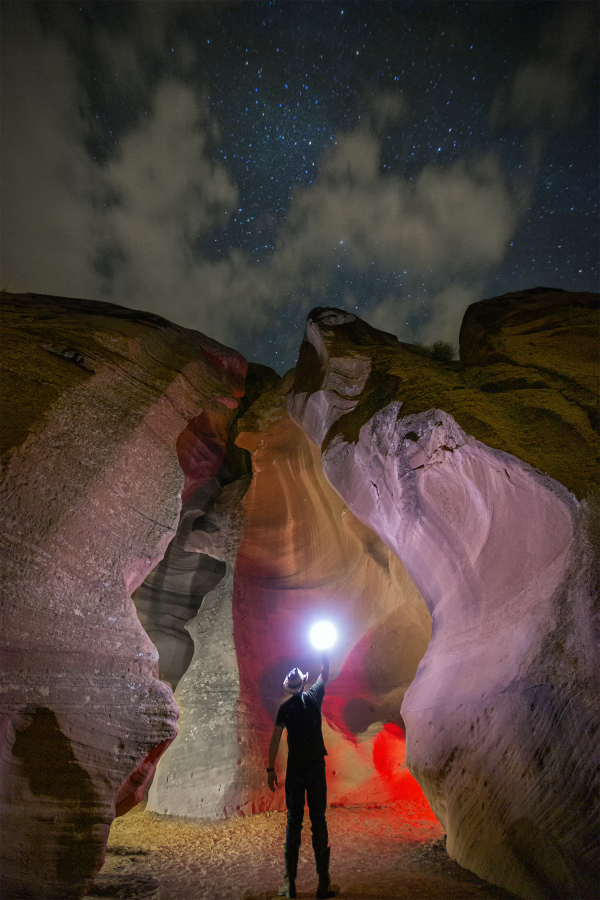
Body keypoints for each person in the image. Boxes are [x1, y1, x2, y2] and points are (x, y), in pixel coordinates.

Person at [267, 651, 339, 900]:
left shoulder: (284, 709)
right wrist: (325, 655)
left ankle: (290, 884)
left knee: (293, 823)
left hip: (296, 771)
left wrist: (269, 769)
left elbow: (275, 739)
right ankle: (323, 883)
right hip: (316, 768)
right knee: (319, 821)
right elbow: (325, 675)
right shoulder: (313, 697)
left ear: (288, 688)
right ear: (303, 684)